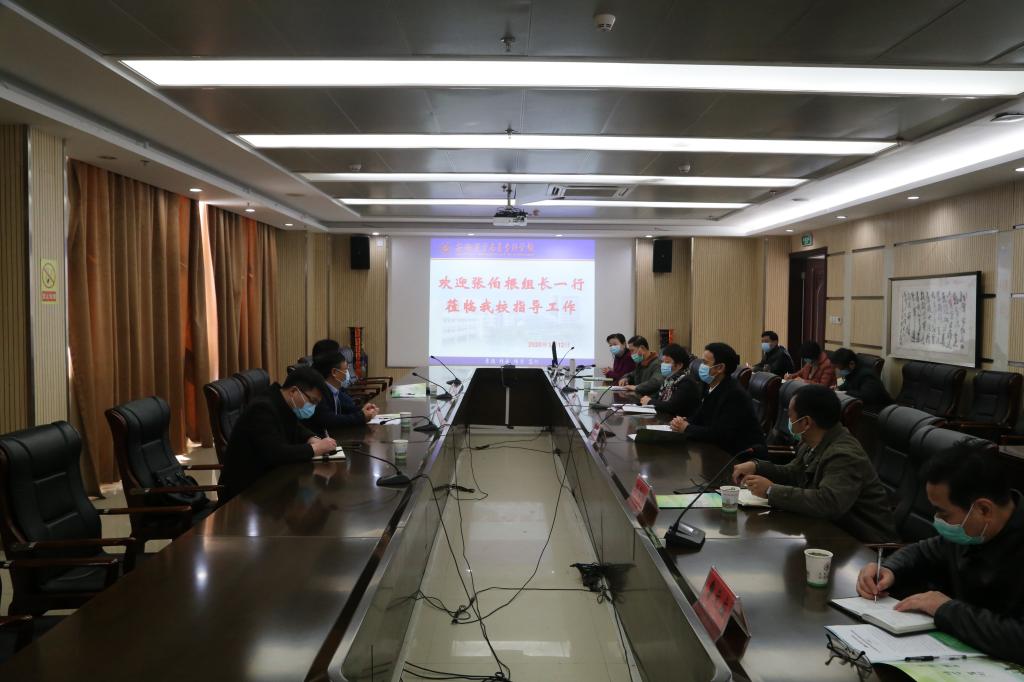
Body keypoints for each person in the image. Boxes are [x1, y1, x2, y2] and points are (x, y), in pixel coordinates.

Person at [856, 444, 1024, 663]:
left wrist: (945, 609)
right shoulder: (973, 531)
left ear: (984, 510)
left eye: (943, 513)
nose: (937, 521)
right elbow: (923, 551)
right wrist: (889, 569)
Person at [732, 384, 896, 543]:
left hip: (864, 543)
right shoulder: (812, 441)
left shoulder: (844, 455)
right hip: (828, 531)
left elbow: (828, 503)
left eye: (790, 416)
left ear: (806, 422)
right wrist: (757, 466)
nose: (788, 420)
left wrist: (770, 490)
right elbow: (793, 473)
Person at [219, 367, 338, 503]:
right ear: (294, 391)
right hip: (246, 494)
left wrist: (312, 438)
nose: (313, 407)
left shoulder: (281, 401)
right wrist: (316, 448)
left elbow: (296, 427)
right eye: (312, 401)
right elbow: (276, 453)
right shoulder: (262, 409)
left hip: (270, 482)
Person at [670, 342, 766, 457]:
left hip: (738, 456)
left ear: (720, 368)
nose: (701, 366)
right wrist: (683, 421)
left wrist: (687, 428)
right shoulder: (709, 385)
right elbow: (701, 416)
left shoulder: (734, 394)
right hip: (714, 450)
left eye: (705, 363)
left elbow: (720, 434)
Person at [305, 349, 379, 431]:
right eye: (345, 370)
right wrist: (361, 417)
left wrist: (363, 410)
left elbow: (346, 408)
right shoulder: (319, 392)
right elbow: (330, 420)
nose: (347, 374)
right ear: (334, 372)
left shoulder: (336, 390)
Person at [639, 343, 701, 417]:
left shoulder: (687, 382)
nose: (663, 365)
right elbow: (658, 398)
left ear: (679, 365)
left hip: (680, 421)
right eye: (663, 361)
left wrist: (650, 402)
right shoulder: (669, 380)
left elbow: (672, 406)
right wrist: (646, 399)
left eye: (667, 362)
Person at [831, 347, 892, 413]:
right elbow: (845, 384)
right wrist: (838, 389)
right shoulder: (850, 372)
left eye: (841, 369)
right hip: (861, 405)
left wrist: (845, 393)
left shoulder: (867, 375)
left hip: (880, 410)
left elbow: (866, 396)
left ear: (851, 364)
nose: (839, 371)